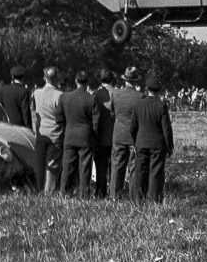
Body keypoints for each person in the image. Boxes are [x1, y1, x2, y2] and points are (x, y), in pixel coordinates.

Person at [130, 75, 174, 204]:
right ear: (159, 90)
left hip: (141, 143)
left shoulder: (138, 105)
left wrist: (135, 142)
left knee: (140, 172)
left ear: (146, 89)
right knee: (155, 173)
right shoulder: (161, 106)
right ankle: (154, 201)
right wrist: (169, 146)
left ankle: (139, 200)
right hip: (157, 144)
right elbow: (166, 128)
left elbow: (132, 127)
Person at [57, 70, 99, 198]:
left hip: (69, 135)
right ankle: (84, 196)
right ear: (87, 83)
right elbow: (96, 122)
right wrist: (93, 135)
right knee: (85, 169)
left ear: (76, 81)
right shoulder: (91, 99)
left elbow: (59, 119)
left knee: (68, 167)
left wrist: (66, 128)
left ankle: (64, 193)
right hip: (85, 137)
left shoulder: (64, 97)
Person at [109, 67, 144, 200]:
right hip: (134, 136)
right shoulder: (140, 97)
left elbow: (112, 114)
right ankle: (134, 195)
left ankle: (114, 194)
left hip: (118, 134)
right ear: (136, 81)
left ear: (124, 80)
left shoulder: (116, 95)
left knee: (117, 165)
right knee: (134, 167)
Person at [32, 66, 65, 194]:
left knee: (40, 162)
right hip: (55, 133)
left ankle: (39, 188)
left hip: (41, 133)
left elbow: (34, 111)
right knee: (53, 164)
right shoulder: (59, 95)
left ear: (44, 77)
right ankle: (48, 192)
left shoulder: (36, 93)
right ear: (56, 78)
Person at [92, 68, 116, 199]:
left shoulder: (95, 94)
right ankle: (113, 191)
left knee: (100, 167)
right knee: (114, 166)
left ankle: (100, 192)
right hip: (114, 136)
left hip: (100, 137)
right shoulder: (117, 94)